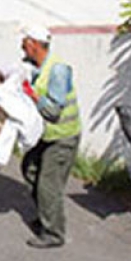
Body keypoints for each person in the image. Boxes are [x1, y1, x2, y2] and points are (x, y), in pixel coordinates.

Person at [17, 25, 81, 249]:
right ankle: (47, 214)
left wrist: (32, 95)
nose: (21, 46)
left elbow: (53, 110)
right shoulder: (39, 67)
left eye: (24, 42)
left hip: (63, 137)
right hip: (47, 136)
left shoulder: (58, 70)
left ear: (33, 44)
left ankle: (54, 233)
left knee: (48, 185)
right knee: (30, 169)